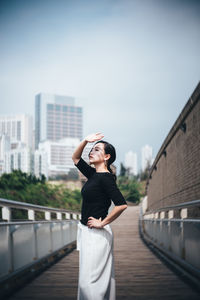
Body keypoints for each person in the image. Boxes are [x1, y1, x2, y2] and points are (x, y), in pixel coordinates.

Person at [72, 132, 128, 300]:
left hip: (96, 235)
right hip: (86, 232)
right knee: (89, 281)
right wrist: (85, 141)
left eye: (96, 149)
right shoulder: (93, 174)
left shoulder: (106, 178)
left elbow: (121, 204)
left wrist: (102, 223)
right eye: (91, 149)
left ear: (107, 156)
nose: (91, 152)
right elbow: (75, 158)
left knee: (90, 283)